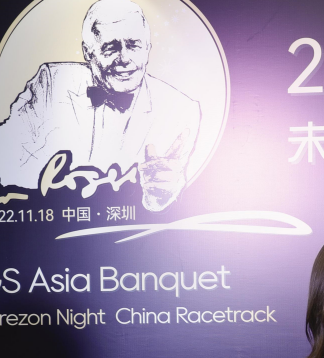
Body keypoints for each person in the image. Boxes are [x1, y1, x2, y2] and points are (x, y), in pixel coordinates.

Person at [0, 0, 200, 211]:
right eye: (110, 48)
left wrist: (162, 193)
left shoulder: (181, 111)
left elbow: (163, 202)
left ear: (148, 48)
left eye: (134, 45)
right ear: (87, 52)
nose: (124, 58)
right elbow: (5, 159)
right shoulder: (51, 83)